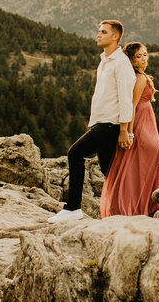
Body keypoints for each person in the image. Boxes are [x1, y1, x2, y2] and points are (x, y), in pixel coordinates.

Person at [48, 20, 136, 222]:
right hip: (101, 122)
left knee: (75, 153)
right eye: (99, 31)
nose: (98, 35)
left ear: (115, 36)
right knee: (109, 171)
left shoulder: (121, 63)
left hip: (111, 124)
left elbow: (126, 98)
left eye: (103, 32)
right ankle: (128, 210)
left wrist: (124, 129)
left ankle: (73, 209)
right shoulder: (105, 61)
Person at [100, 41, 159, 217]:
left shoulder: (135, 76)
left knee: (145, 169)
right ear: (131, 60)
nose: (144, 59)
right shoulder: (140, 78)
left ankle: (158, 203)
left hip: (143, 129)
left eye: (145, 55)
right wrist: (129, 132)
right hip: (142, 130)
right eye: (139, 56)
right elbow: (131, 107)